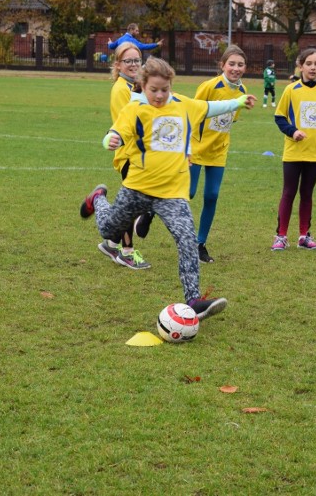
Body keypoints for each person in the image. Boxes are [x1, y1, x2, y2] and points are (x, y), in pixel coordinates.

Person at [79, 57, 255, 318]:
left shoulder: (185, 106)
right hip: (137, 188)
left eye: (164, 89)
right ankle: (99, 198)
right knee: (108, 229)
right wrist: (110, 140)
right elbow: (113, 133)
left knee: (186, 240)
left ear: (171, 85)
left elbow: (212, 107)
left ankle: (193, 300)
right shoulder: (135, 109)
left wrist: (239, 101)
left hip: (173, 194)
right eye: (154, 90)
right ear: (143, 85)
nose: (159, 95)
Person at [271, 47, 316, 251]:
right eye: (309, 63)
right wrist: (293, 132)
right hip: (293, 152)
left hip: (315, 152)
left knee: (307, 193)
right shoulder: (291, 90)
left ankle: (304, 236)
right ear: (301, 66)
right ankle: (281, 236)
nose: (313, 67)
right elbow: (279, 118)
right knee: (289, 192)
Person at [91, 42, 151, 270]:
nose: (134, 64)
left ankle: (112, 242)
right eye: (128, 61)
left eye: (137, 60)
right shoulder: (121, 89)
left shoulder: (137, 85)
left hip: (140, 154)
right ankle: (126, 252)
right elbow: (126, 122)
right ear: (118, 64)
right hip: (129, 154)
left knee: (135, 202)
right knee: (131, 204)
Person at [189, 45, 250, 263]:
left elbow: (229, 122)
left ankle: (199, 243)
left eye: (240, 64)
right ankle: (150, 212)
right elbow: (193, 114)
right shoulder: (209, 86)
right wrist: (187, 147)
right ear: (222, 65)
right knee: (188, 193)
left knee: (212, 196)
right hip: (196, 149)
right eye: (231, 64)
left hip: (218, 153)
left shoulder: (243, 92)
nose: (235, 68)